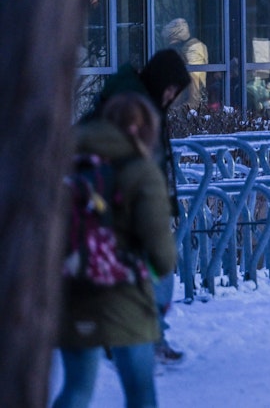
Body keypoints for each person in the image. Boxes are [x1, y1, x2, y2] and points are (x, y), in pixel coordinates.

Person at [53, 93, 178, 408]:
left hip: (71, 288)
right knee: (140, 393)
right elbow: (161, 252)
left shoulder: (65, 162)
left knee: (76, 389)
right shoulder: (141, 170)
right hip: (126, 297)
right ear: (141, 129)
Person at [86, 48, 191, 364]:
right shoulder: (134, 108)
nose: (171, 95)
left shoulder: (137, 102)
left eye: (176, 91)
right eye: (171, 87)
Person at [162, 18, 209, 110]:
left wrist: (181, 109)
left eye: (172, 41)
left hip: (188, 107)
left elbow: (195, 84)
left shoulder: (193, 49)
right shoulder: (185, 50)